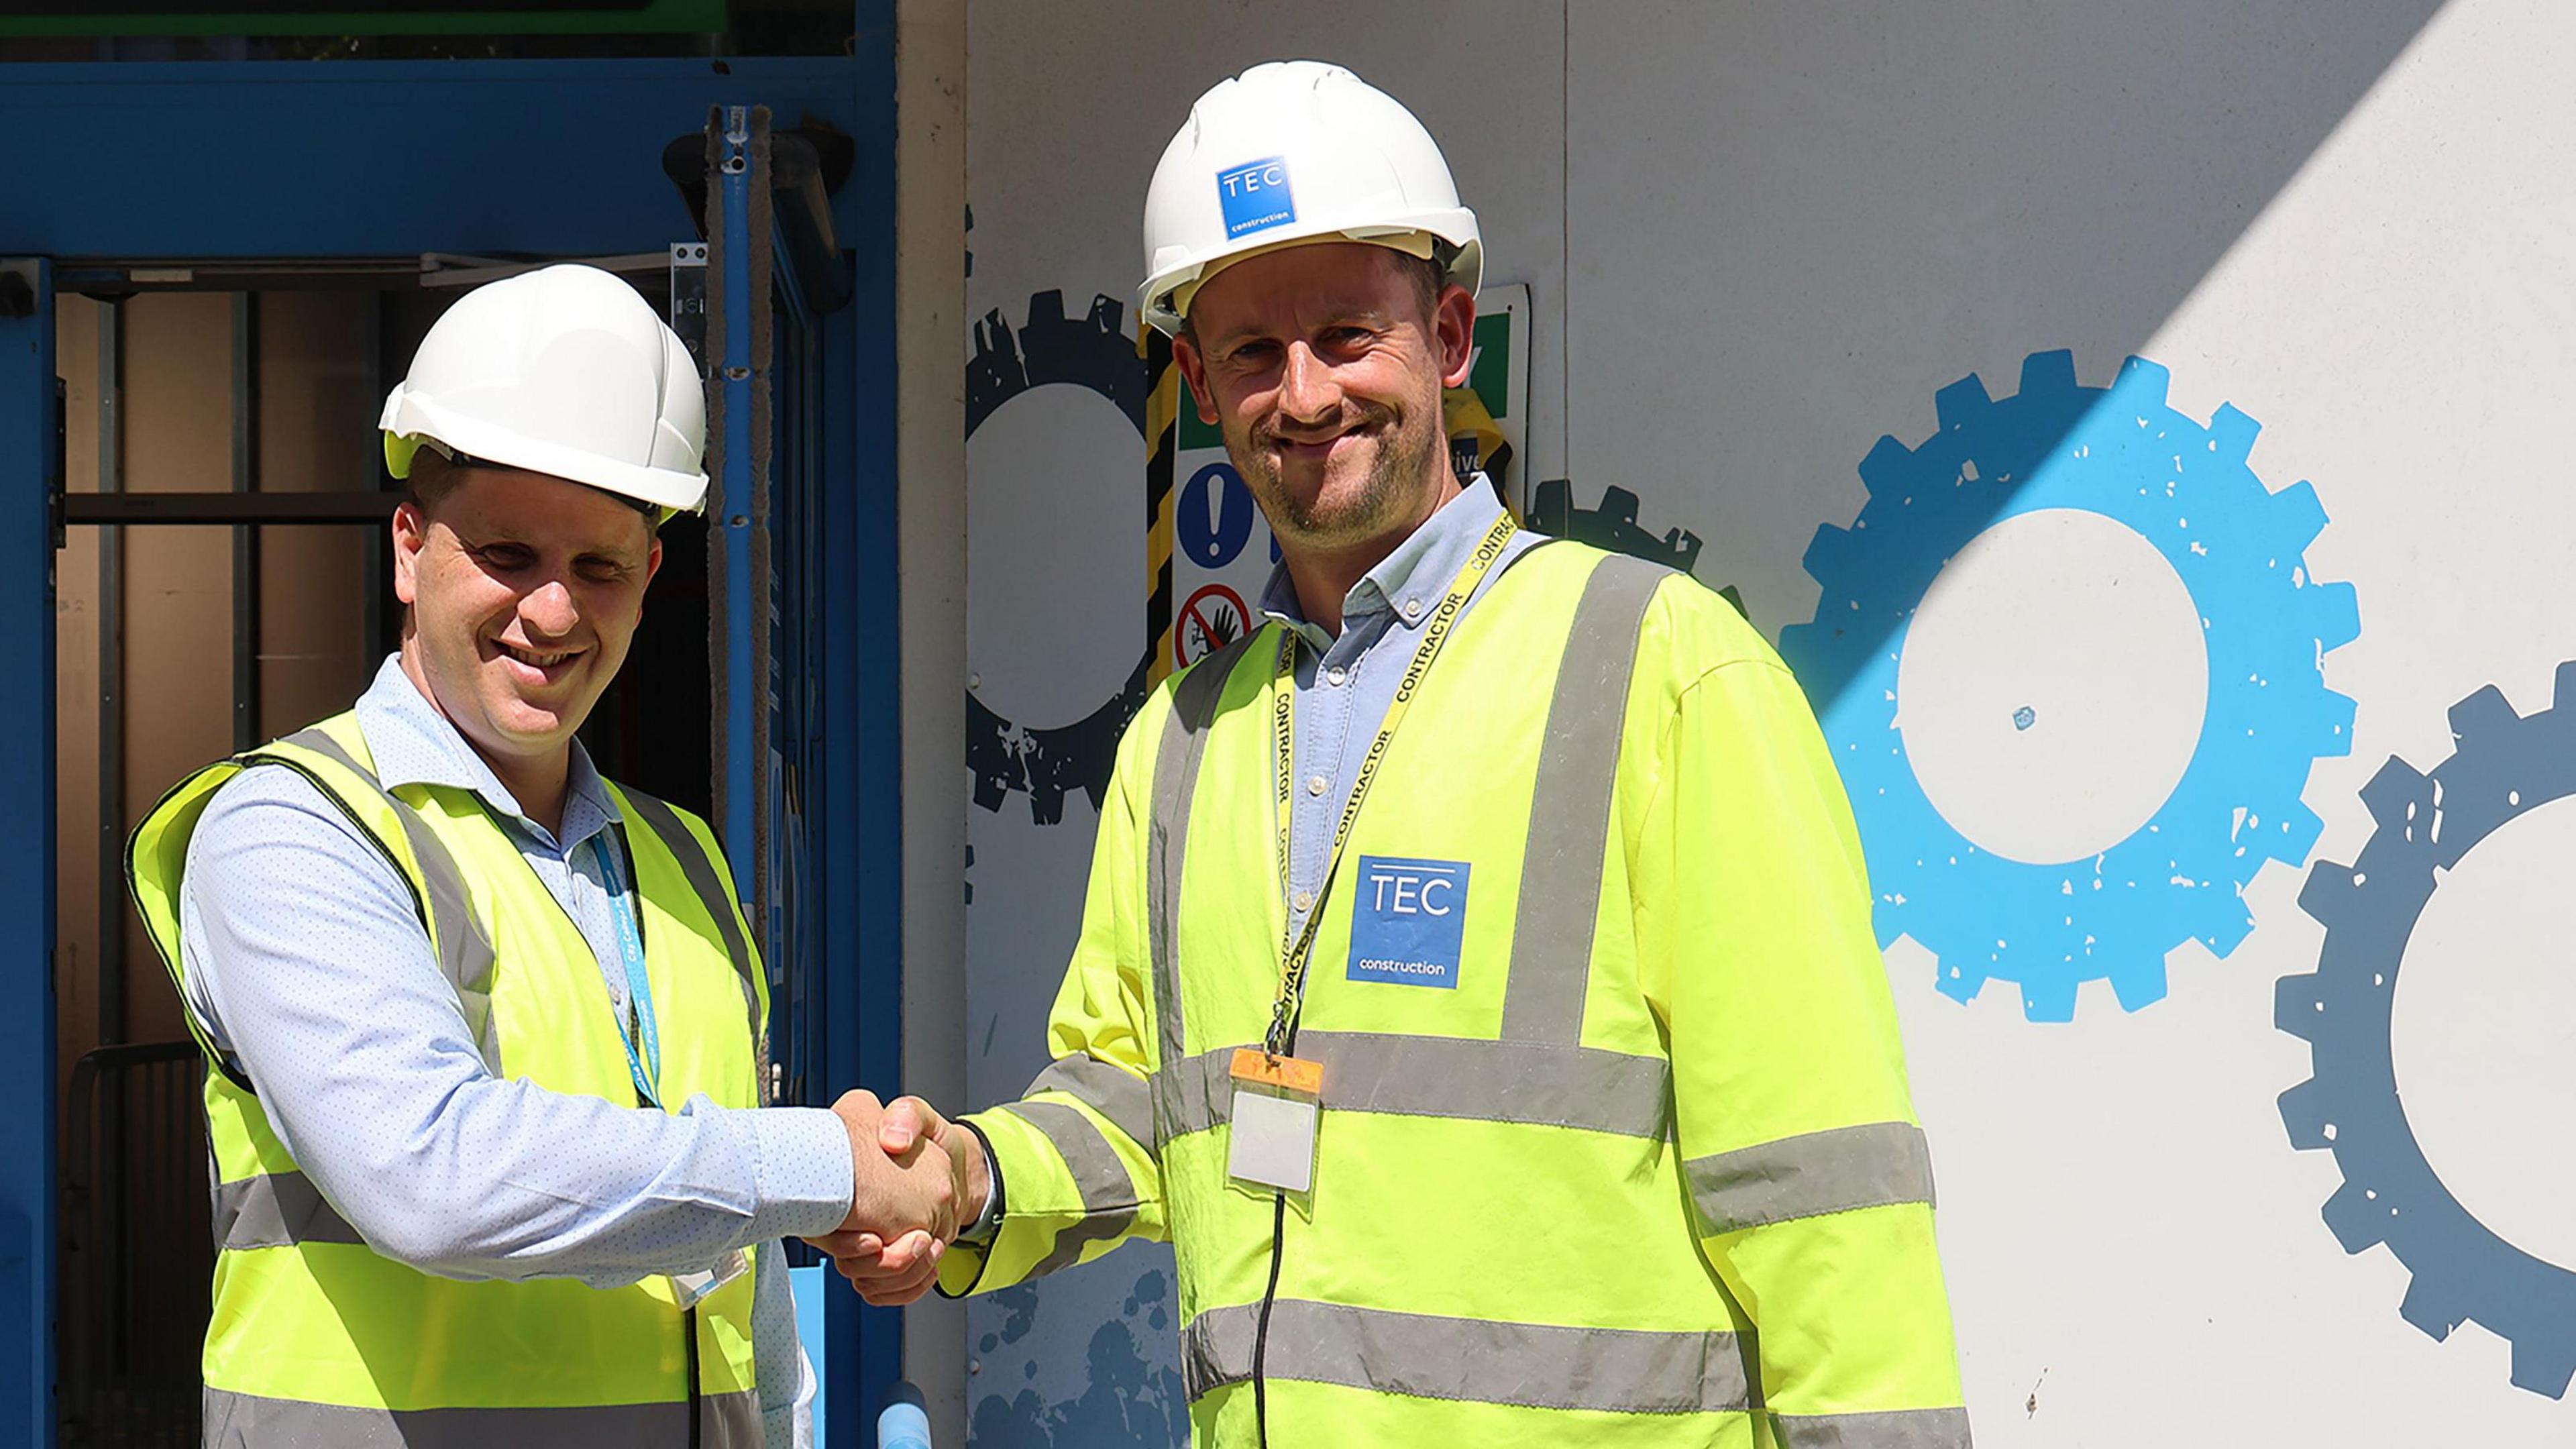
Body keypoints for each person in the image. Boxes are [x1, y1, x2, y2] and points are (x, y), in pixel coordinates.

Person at [828, 61, 1972, 1448]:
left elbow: (1818, 1184)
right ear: (1196, 379)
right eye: (1253, 352)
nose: (1303, 394)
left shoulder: (1664, 666)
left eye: (1347, 336)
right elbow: (1129, 1109)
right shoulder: (1183, 739)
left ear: (1448, 334)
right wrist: (963, 1180)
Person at [127, 264, 956, 1448]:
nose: (555, 614)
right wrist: (827, 1165)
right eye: (510, 553)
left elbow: (742, 1295)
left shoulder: (684, 860)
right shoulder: (292, 829)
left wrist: (819, 1236)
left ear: (652, 578)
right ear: (409, 548)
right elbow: (432, 1174)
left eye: (601, 566)